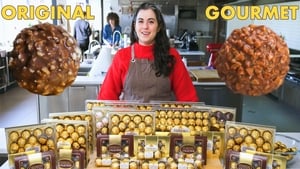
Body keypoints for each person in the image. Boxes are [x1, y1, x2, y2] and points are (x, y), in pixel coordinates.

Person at [97, 2, 199, 102]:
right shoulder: (122, 56)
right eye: (140, 21)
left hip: (163, 118)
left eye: (151, 22)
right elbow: (106, 98)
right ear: (134, 26)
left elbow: (189, 99)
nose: (145, 26)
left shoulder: (171, 56)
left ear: (158, 27)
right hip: (129, 117)